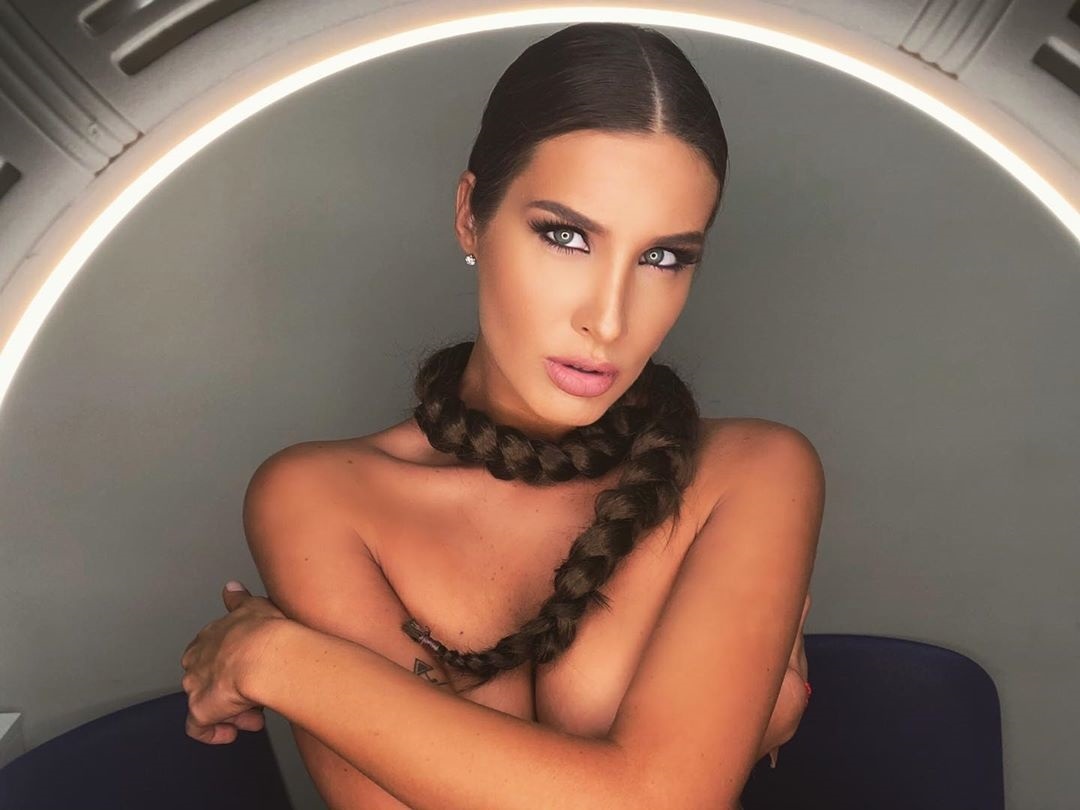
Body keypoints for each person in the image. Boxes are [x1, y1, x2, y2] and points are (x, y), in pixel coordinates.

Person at [179, 21, 822, 810]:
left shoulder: (755, 473)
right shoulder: (319, 497)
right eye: (566, 236)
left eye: (663, 257)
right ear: (470, 217)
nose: (609, 319)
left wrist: (275, 659)